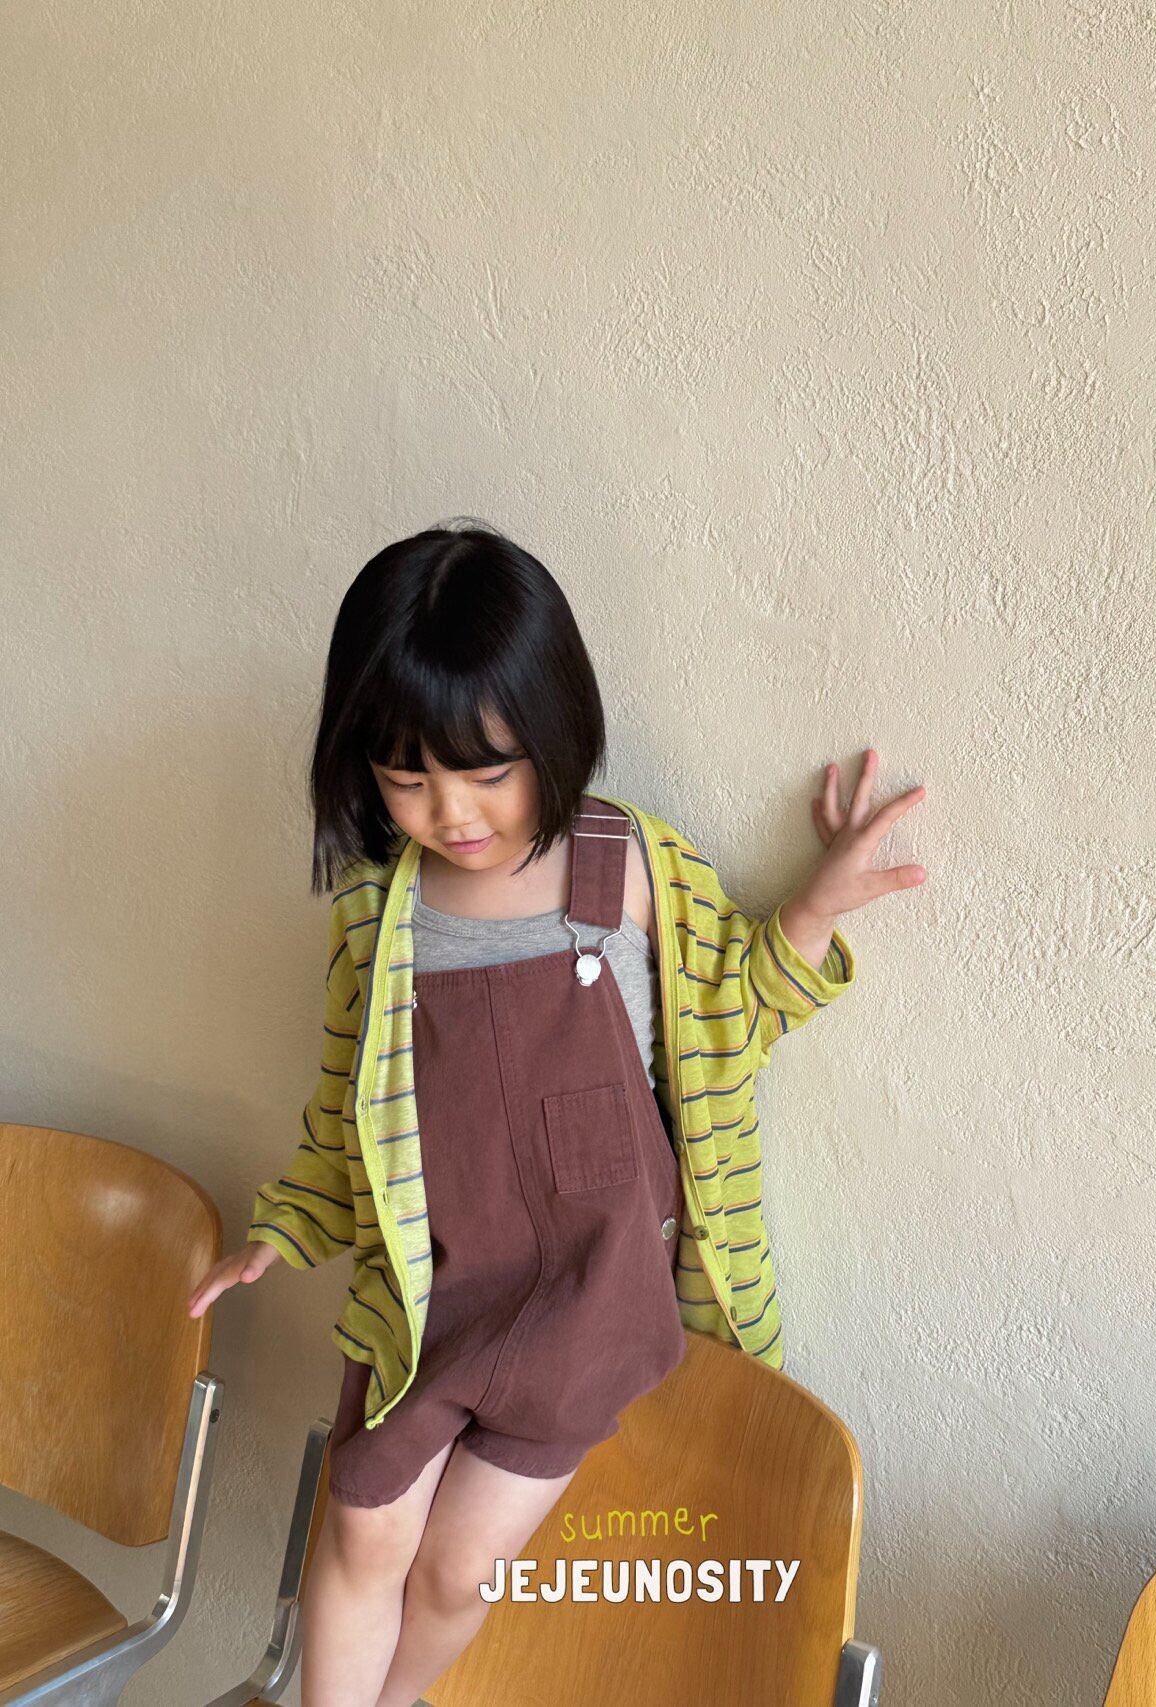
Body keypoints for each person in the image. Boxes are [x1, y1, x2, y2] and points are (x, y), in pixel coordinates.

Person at [186, 520, 926, 1707]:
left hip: (592, 1297)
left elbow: (731, 1015)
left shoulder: (630, 866)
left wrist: (811, 910)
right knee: (362, 1525)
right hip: (434, 1288)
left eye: (488, 772)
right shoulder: (378, 916)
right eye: (407, 779)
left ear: (554, 729)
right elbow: (345, 1113)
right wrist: (279, 1229)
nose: (452, 811)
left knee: (458, 1567)